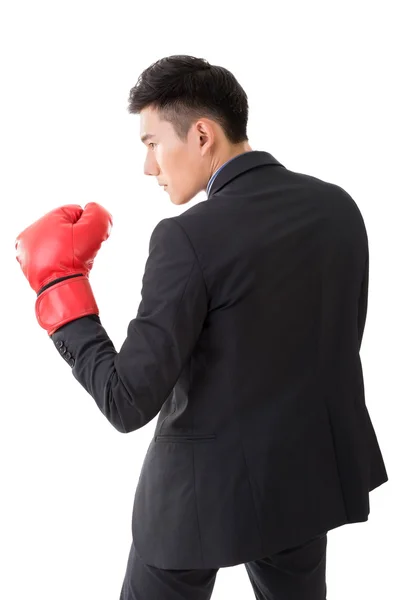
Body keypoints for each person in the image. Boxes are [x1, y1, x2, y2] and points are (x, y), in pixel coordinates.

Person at [15, 55, 388, 600]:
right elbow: (336, 343)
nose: (149, 167)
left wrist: (60, 291)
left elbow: (127, 401)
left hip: (195, 499)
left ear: (202, 135)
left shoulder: (187, 237)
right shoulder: (338, 209)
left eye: (151, 143)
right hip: (304, 484)